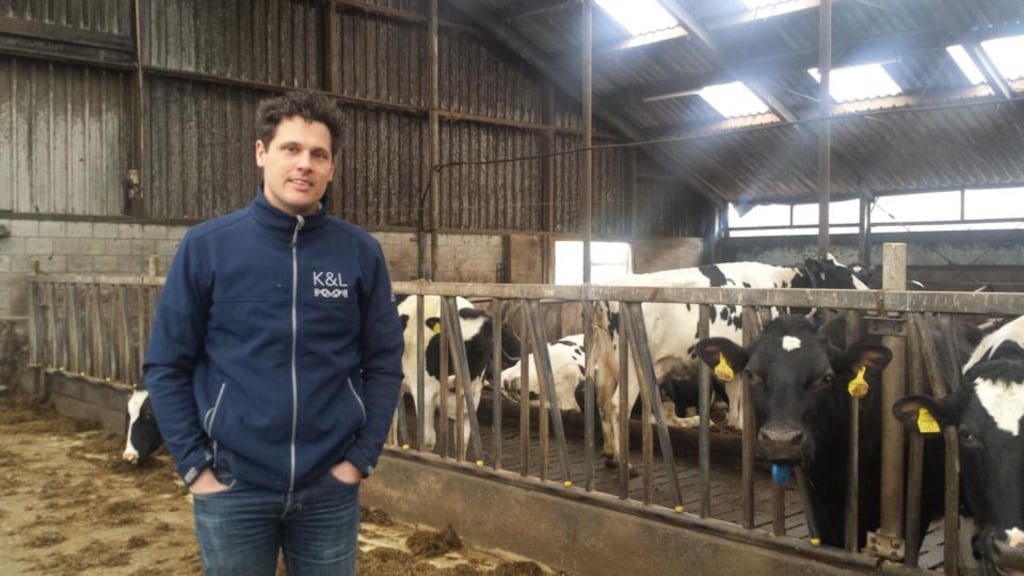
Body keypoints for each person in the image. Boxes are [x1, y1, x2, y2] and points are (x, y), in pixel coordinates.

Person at [144, 91, 405, 575]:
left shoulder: (359, 253)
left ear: (332, 168)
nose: (304, 164)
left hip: (328, 489)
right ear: (261, 154)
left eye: (318, 154)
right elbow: (166, 364)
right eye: (291, 149)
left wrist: (358, 460)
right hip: (232, 485)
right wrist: (194, 468)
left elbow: (386, 361)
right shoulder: (207, 248)